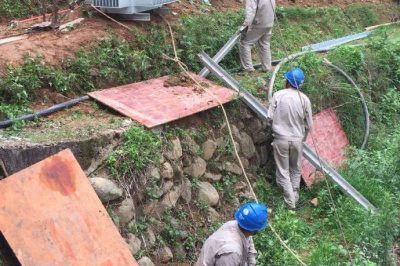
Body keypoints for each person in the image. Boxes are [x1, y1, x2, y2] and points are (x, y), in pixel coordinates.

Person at [267, 68, 313, 209]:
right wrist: (302, 138)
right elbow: (309, 124)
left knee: (283, 170)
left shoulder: (278, 95)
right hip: (297, 140)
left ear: (287, 81)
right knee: (295, 169)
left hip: (281, 138)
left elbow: (269, 117)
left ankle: (290, 202)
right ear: (300, 84)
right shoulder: (304, 99)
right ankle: (295, 197)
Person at [196, 202, 268, 266]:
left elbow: (249, 240)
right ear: (254, 230)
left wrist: (252, 262)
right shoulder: (232, 253)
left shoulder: (237, 224)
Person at [239, 0, 276, 73]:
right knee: (264, 44)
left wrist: (245, 25)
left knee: (245, 43)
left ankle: (248, 69)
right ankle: (267, 67)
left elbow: (251, 11)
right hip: (269, 22)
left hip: (259, 22)